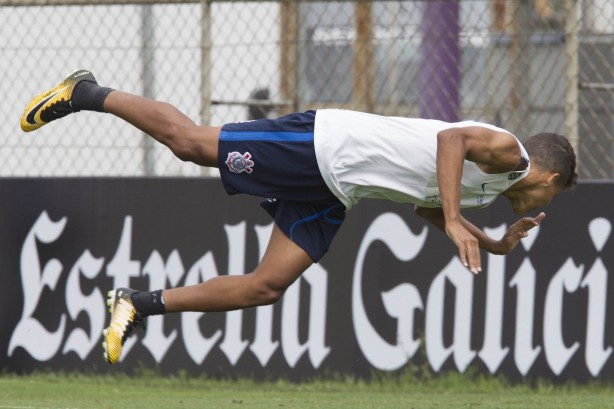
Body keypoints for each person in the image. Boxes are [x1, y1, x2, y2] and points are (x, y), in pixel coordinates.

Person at [21, 69, 577, 365]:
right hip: (322, 145)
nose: (542, 208)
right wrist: (458, 219)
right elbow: (451, 139)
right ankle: (87, 92)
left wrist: (493, 241)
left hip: (337, 190)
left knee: (266, 287)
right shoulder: (511, 152)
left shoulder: (491, 190)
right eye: (551, 199)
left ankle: (136, 305)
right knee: (190, 144)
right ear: (550, 180)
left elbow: (424, 203)